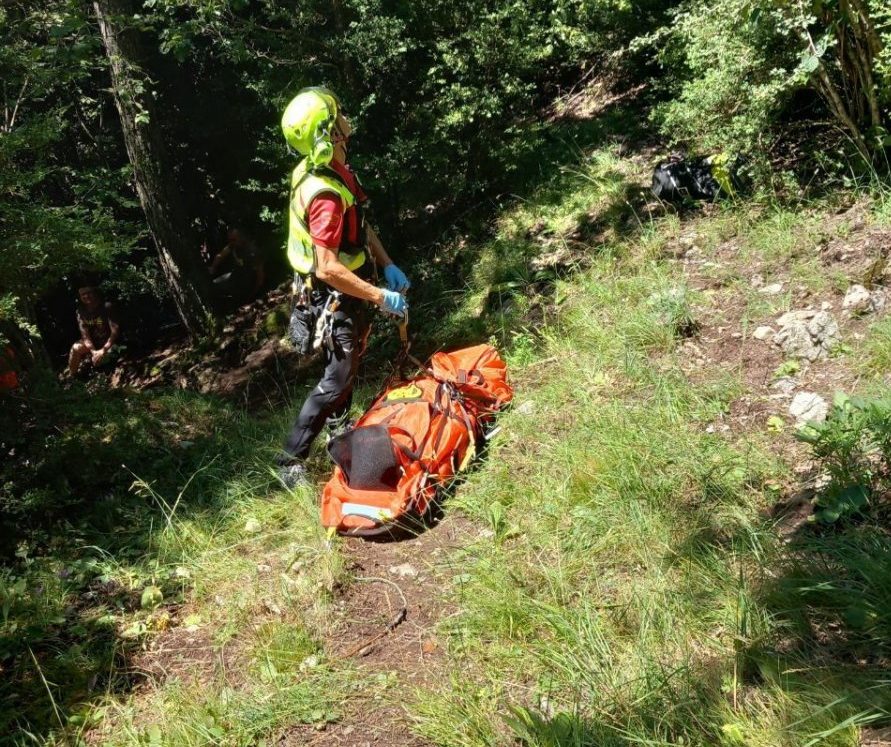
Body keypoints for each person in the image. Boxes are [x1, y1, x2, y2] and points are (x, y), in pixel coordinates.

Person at [276, 86, 410, 487]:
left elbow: (361, 226)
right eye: (339, 115)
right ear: (329, 132)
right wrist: (379, 297)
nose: (346, 119)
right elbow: (328, 268)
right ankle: (289, 461)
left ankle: (340, 433)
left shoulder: (334, 171)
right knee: (336, 378)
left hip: (352, 289)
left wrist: (387, 265)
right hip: (335, 295)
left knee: (348, 369)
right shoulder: (325, 196)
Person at [68, 286, 122, 377]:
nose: (86, 296)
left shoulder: (106, 306)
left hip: (110, 343)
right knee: (75, 348)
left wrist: (103, 350)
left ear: (94, 293)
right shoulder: (81, 312)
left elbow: (115, 332)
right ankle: (74, 377)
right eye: (83, 294)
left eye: (88, 293)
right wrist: (94, 352)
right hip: (94, 344)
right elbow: (85, 335)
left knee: (106, 359)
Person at [208, 226, 266, 306]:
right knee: (214, 286)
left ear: (241, 238)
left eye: (234, 240)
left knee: (238, 298)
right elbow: (220, 256)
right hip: (235, 275)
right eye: (230, 240)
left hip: (247, 282)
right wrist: (213, 267)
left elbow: (260, 276)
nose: (232, 242)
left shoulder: (252, 252)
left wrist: (253, 294)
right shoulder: (232, 246)